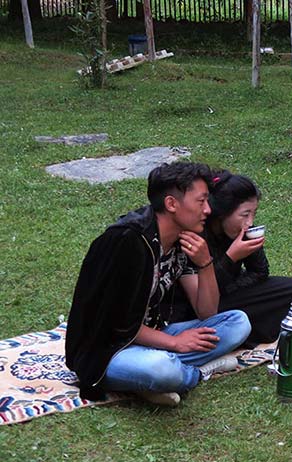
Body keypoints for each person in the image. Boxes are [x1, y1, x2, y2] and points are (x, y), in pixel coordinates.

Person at [65, 162, 251, 407]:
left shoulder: (182, 238)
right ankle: (195, 372)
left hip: (154, 335)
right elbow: (117, 325)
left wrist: (205, 263)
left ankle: (146, 382)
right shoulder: (127, 242)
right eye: (201, 201)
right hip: (107, 350)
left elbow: (206, 312)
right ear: (172, 204)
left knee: (238, 323)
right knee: (161, 368)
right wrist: (175, 343)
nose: (208, 210)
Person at [171, 170, 292, 348]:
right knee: (250, 317)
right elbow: (202, 294)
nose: (249, 222)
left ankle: (240, 332)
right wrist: (231, 257)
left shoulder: (245, 231)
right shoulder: (198, 233)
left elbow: (259, 272)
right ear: (223, 212)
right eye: (245, 214)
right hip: (198, 306)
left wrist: (231, 287)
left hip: (228, 297)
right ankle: (245, 333)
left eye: (253, 214)